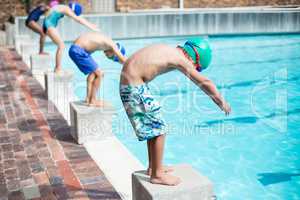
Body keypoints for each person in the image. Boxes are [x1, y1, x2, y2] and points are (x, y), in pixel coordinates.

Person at [120, 38, 231, 186]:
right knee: (159, 129)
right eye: (196, 67)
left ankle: (153, 167)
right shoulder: (181, 59)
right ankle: (157, 175)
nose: (193, 69)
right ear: (193, 57)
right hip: (134, 86)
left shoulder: (170, 50)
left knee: (154, 129)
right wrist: (220, 100)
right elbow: (205, 82)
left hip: (131, 83)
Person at [69, 32, 127, 107]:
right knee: (100, 74)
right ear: (115, 52)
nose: (107, 57)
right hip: (78, 50)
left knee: (93, 73)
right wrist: (133, 65)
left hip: (75, 49)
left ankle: (88, 98)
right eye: (111, 57)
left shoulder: (103, 40)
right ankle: (93, 100)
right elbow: (123, 59)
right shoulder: (112, 45)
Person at [43, 2, 99, 73]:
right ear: (73, 11)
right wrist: (91, 27)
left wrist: (91, 24)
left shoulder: (64, 7)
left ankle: (57, 68)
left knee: (61, 45)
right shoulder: (66, 9)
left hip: (48, 24)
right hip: (49, 25)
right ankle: (57, 69)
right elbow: (78, 19)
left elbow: (79, 17)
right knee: (61, 45)